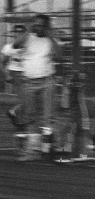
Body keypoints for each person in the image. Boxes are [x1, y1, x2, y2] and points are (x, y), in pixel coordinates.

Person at [15, 13, 62, 160]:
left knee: (48, 116)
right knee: (31, 116)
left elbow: (60, 56)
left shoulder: (51, 40)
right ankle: (33, 151)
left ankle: (48, 149)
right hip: (29, 81)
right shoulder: (28, 37)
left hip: (46, 80)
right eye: (36, 25)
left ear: (47, 27)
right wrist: (28, 30)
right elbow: (16, 44)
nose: (38, 28)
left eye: (41, 25)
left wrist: (51, 36)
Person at [1, 24, 28, 130]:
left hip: (27, 74)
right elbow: (1, 62)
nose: (18, 34)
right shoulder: (9, 47)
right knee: (25, 99)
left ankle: (16, 115)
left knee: (26, 99)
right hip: (16, 73)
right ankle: (15, 115)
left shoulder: (28, 47)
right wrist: (6, 75)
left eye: (21, 32)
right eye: (16, 31)